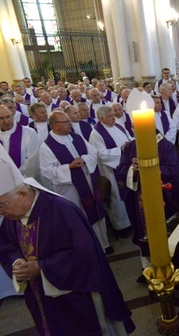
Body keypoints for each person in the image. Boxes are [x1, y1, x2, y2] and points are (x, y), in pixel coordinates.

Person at [0, 145, 135, 335]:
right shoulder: (12, 217)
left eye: (2, 205)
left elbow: (84, 255)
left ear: (22, 194)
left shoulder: (61, 210)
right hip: (41, 297)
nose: (1, 212)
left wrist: (41, 267)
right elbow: (7, 246)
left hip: (75, 296)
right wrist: (17, 262)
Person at [116, 132, 179, 282]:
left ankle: (171, 265)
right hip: (139, 200)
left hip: (164, 199)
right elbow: (121, 169)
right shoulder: (132, 146)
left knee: (165, 231)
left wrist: (148, 167)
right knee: (143, 232)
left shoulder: (166, 146)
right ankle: (148, 268)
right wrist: (133, 169)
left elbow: (173, 170)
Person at [39, 111, 112, 253]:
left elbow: (93, 153)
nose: (69, 124)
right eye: (65, 122)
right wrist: (68, 167)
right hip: (70, 190)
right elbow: (47, 171)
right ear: (55, 126)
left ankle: (103, 244)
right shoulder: (47, 147)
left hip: (89, 184)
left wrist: (84, 159)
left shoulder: (76, 137)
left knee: (95, 213)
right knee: (79, 218)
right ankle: (89, 250)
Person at [89, 105, 133, 235]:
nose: (113, 118)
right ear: (101, 119)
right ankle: (121, 226)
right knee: (116, 197)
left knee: (129, 193)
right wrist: (120, 150)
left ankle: (132, 220)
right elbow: (100, 154)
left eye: (113, 115)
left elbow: (129, 139)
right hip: (111, 170)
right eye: (109, 117)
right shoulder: (96, 134)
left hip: (127, 167)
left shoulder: (119, 126)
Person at [0, 104, 39, 178]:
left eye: (8, 116)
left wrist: (16, 177)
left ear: (13, 116)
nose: (6, 121)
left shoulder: (29, 133)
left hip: (23, 180)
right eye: (1, 118)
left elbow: (32, 160)